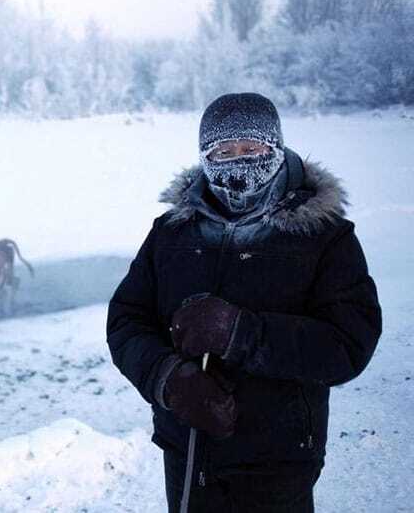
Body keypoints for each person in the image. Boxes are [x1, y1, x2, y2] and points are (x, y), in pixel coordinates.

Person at [106, 92, 382, 512]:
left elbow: (348, 344)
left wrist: (241, 333)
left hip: (279, 459)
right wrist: (168, 380)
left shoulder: (325, 236)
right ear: (205, 156)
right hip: (189, 451)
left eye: (252, 149)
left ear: (276, 148)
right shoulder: (171, 233)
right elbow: (127, 321)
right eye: (223, 151)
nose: (238, 162)